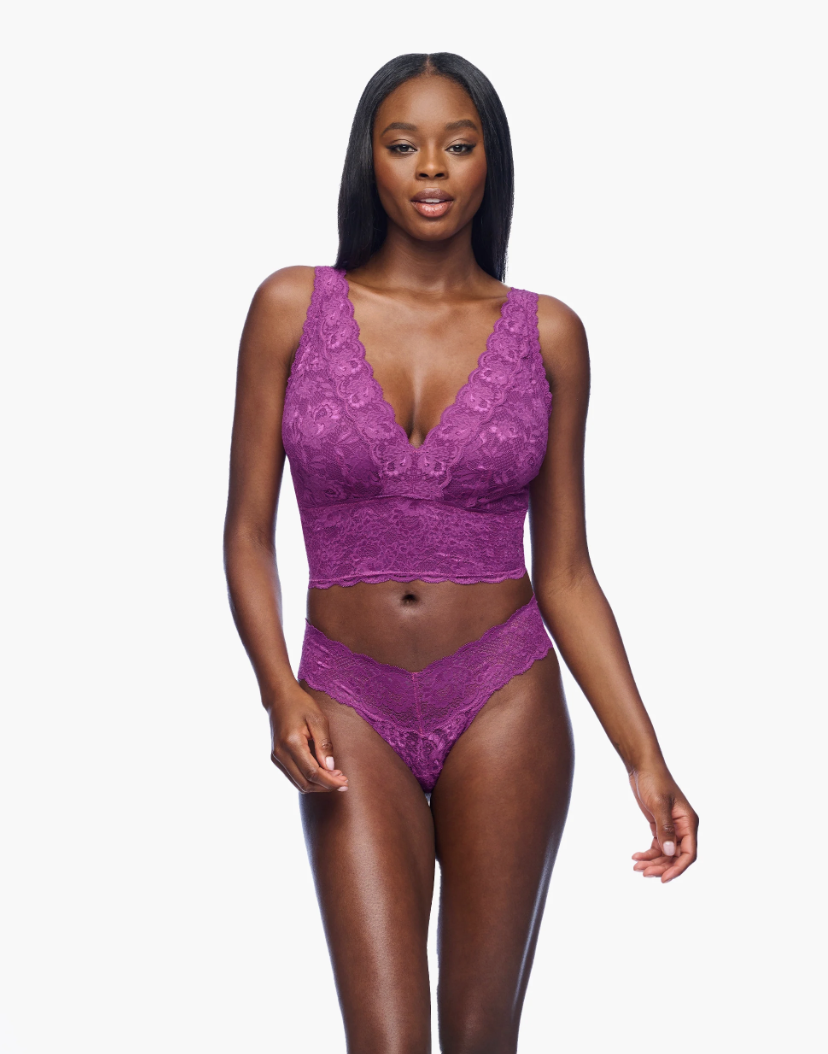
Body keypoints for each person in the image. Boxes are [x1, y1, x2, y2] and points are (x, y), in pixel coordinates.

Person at [224, 51, 698, 1054]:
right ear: (370, 161)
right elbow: (246, 534)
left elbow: (565, 571)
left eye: (458, 144)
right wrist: (278, 690)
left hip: (504, 694)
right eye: (404, 145)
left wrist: (644, 756)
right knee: (386, 1043)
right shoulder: (289, 308)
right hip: (344, 699)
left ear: (492, 161)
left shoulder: (550, 334)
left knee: (482, 1039)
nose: (432, 168)